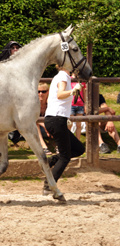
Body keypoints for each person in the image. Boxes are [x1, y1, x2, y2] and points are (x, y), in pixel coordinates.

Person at [42, 65, 85, 195]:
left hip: (55, 119)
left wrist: (63, 116)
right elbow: (60, 94)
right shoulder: (63, 76)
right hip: (56, 120)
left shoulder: (58, 76)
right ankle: (48, 186)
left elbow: (51, 99)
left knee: (78, 149)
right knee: (65, 157)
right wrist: (73, 91)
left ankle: (51, 161)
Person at [0, 41, 23, 144]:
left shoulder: (23, 63)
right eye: (13, 48)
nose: (15, 50)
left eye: (17, 47)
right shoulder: (2, 63)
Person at [37, 83, 52, 155]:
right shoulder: (34, 103)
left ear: (48, 92)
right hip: (37, 128)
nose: (40, 94)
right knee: (35, 124)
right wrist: (44, 125)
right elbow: (32, 118)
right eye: (38, 91)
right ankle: (44, 147)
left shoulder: (51, 103)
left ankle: (59, 147)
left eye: (43, 92)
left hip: (48, 127)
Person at [70, 73, 86, 140]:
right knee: (69, 124)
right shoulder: (69, 79)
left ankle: (77, 141)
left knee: (79, 125)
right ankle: (69, 141)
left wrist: (85, 104)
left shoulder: (82, 80)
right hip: (71, 104)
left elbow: (84, 93)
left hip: (80, 104)